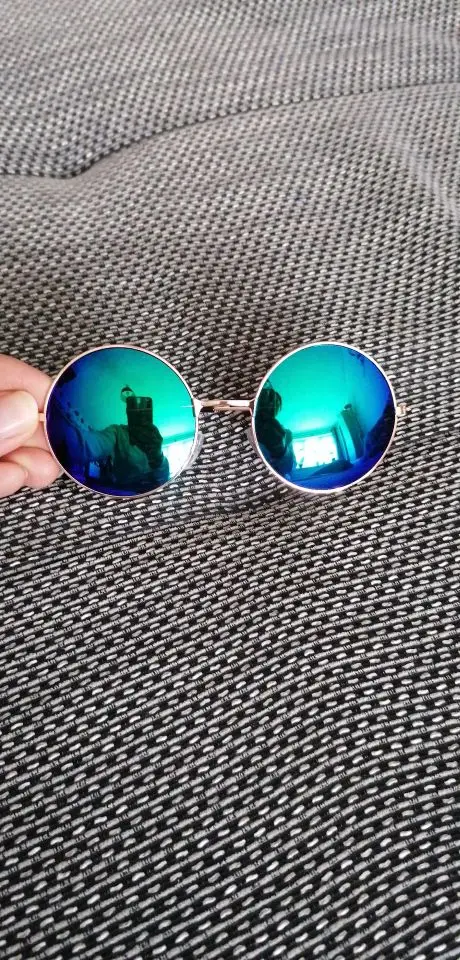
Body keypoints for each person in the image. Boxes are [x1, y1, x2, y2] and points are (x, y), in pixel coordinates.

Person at [254, 383, 296, 478]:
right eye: (267, 400)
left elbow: (290, 469)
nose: (270, 405)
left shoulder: (286, 434)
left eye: (275, 403)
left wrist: (281, 450)